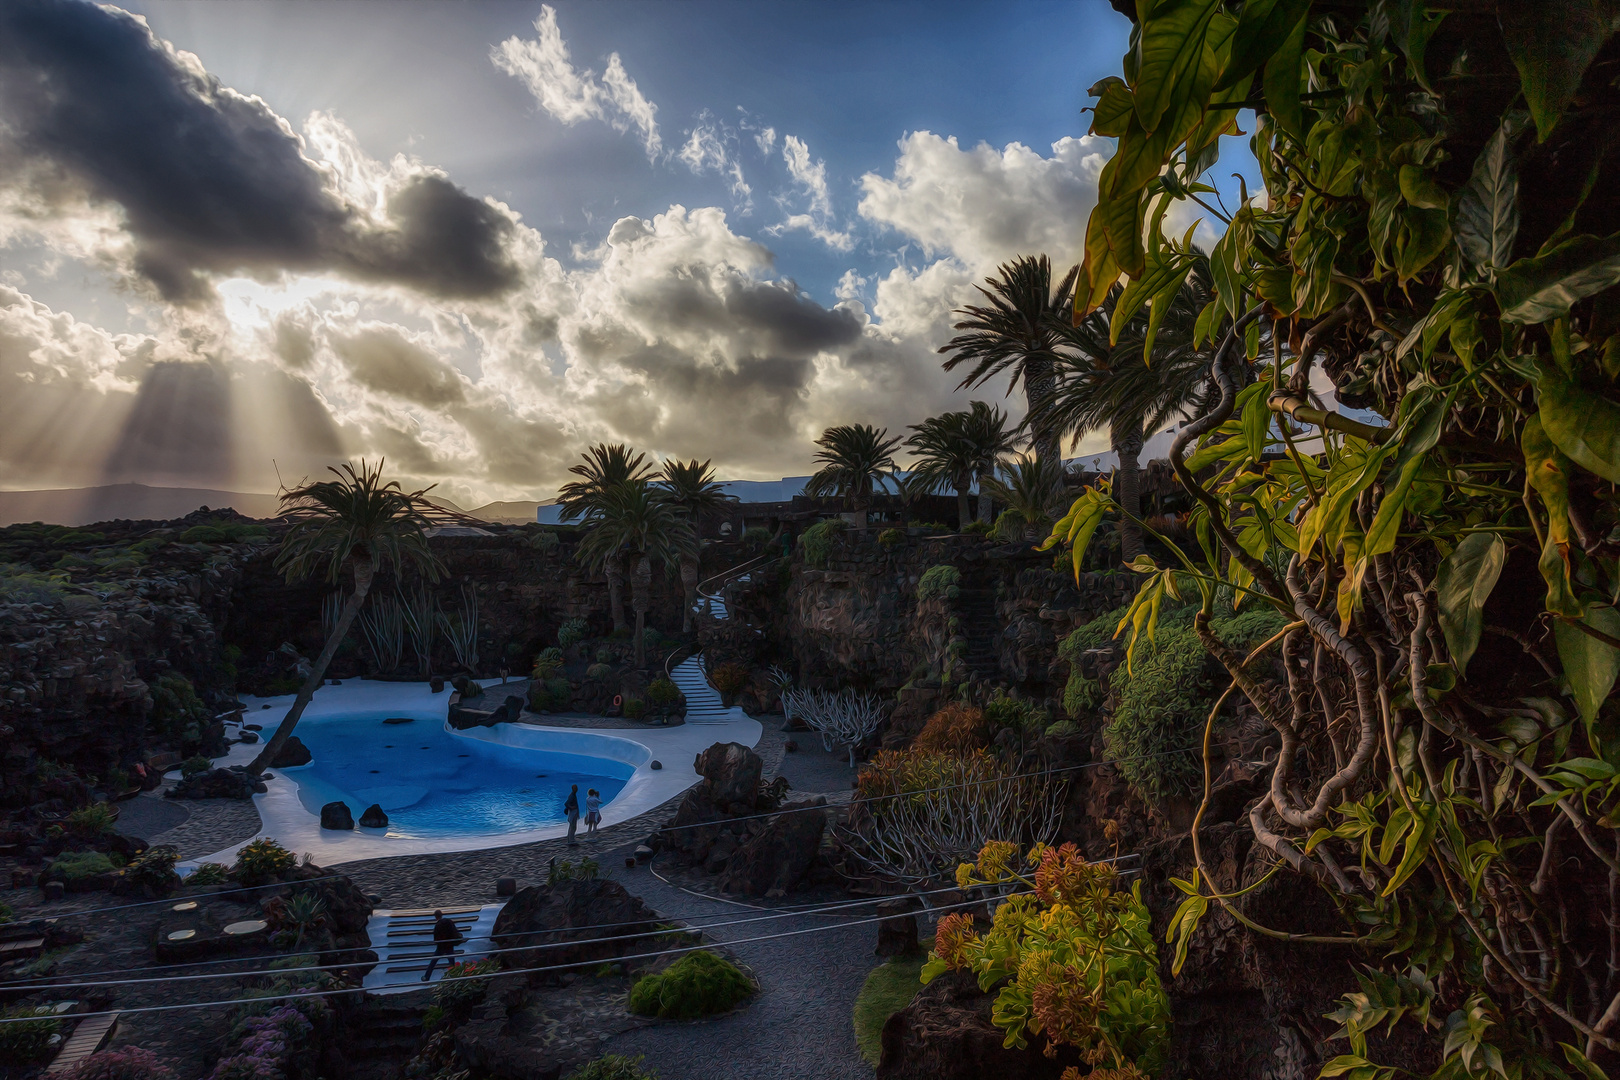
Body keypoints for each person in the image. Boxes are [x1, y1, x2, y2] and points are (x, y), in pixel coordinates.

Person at [421, 910, 463, 982]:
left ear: (436, 916)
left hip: (441, 947)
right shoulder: (449, 921)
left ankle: (426, 977)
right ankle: (454, 977)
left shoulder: (438, 925)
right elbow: (455, 931)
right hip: (449, 945)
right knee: (451, 962)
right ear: (442, 915)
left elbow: (436, 938)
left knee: (433, 962)